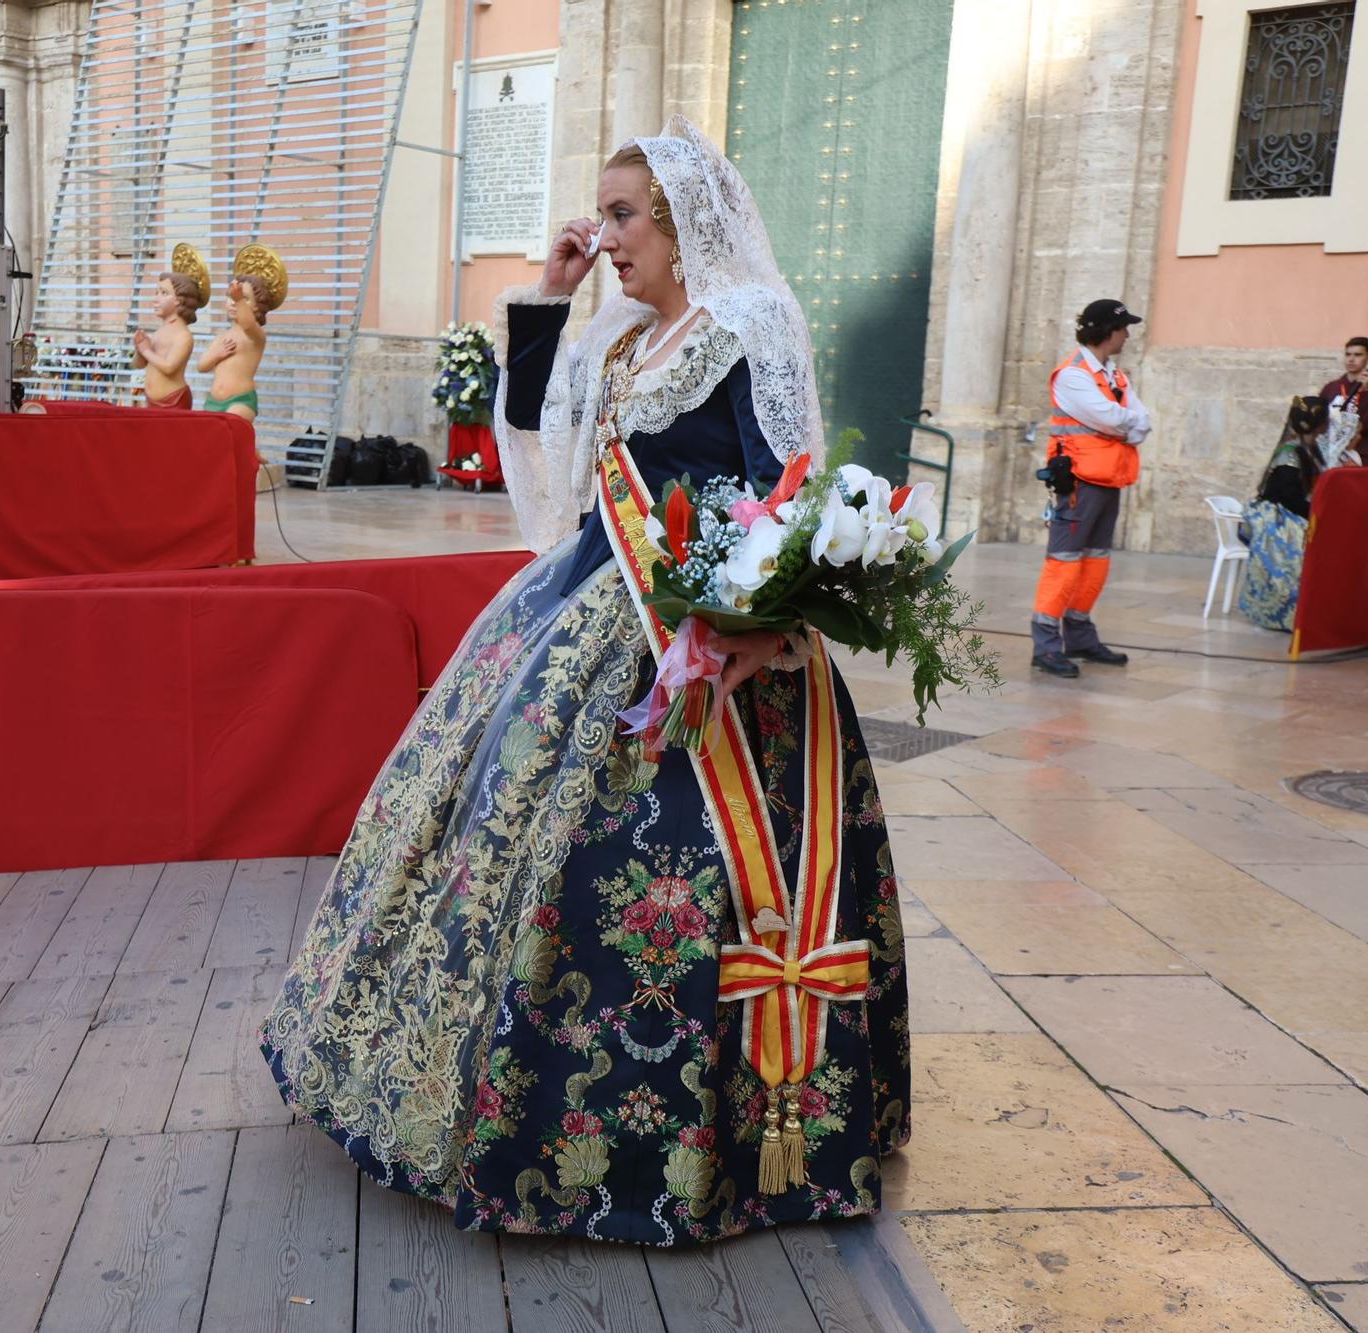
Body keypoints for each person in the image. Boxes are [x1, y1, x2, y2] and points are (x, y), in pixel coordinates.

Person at [261, 116, 909, 1247]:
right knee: (506, 840)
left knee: (664, 879)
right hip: (597, 607)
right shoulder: (620, 341)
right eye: (599, 215)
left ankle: (733, 1137)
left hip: (719, 653)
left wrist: (756, 626)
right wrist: (548, 299)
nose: (601, 236)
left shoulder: (744, 325)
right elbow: (543, 461)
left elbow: (789, 490)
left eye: (619, 217)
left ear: (680, 223)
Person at [1030, 298, 1153, 678]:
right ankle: (1046, 645)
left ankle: (1081, 637)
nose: (1128, 335)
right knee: (1063, 563)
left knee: (1096, 561)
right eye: (1123, 328)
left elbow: (1141, 420)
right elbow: (1109, 418)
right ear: (1105, 330)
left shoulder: (1113, 375)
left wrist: (1127, 422)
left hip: (1110, 478)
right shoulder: (1073, 374)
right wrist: (1127, 423)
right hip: (1080, 482)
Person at [1238, 396, 1332, 631]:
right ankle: (1288, 609)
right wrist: (1313, 516)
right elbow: (1288, 497)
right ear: (1320, 424)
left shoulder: (1309, 449)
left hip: (1295, 510)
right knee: (1306, 543)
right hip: (1278, 517)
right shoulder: (1290, 455)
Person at [196, 257, 281, 420]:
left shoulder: (255, 336)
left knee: (231, 432)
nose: (234, 302)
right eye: (231, 297)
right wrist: (216, 354)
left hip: (240, 402)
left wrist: (238, 299)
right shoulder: (223, 336)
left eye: (244, 298)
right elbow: (202, 366)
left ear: (256, 306)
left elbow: (248, 324)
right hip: (213, 402)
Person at [132, 269, 202, 409]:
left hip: (173, 402)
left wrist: (146, 350)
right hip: (151, 402)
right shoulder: (159, 332)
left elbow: (169, 367)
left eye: (164, 293)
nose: (156, 299)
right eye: (156, 293)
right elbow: (139, 364)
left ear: (179, 300)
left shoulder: (183, 335)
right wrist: (140, 349)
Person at [1317, 336, 1368, 466]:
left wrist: (1366, 390)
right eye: (1348, 354)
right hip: (1329, 454)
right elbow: (1319, 421)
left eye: (1357, 355)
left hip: (1359, 455)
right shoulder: (1331, 387)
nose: (1351, 359)